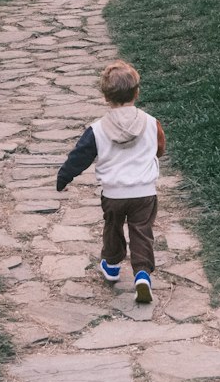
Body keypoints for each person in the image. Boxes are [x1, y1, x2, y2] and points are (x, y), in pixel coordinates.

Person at [55, 58, 166, 303]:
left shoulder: (97, 130)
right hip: (144, 192)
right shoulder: (151, 123)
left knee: (112, 227)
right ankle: (142, 274)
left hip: (114, 193)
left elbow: (79, 157)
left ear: (106, 97)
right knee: (142, 231)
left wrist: (64, 176)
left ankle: (113, 265)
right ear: (137, 93)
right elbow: (159, 148)